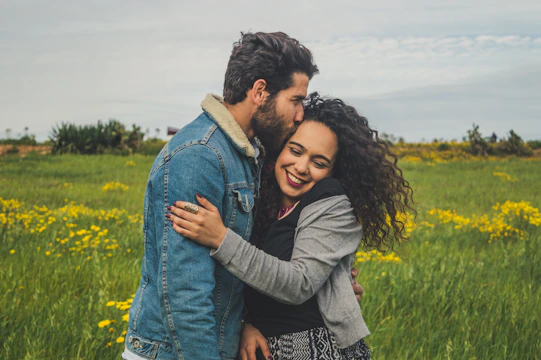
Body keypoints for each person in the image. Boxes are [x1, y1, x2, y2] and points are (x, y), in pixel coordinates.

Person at [122, 32, 362, 360]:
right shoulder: (199, 156)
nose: (300, 114)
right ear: (260, 92)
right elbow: (184, 297)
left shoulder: (249, 153)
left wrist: (246, 322)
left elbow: (238, 271)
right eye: (295, 100)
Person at [168, 93, 415, 359]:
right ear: (279, 149)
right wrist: (244, 324)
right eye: (295, 151)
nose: (301, 167)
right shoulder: (257, 197)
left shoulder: (332, 201)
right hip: (259, 346)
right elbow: (240, 279)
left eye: (319, 163)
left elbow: (298, 284)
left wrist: (220, 238)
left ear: (332, 171)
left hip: (318, 349)